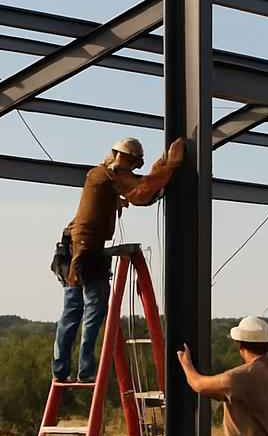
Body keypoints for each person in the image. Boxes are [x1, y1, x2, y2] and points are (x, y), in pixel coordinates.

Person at [52, 136, 185, 383]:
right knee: (93, 311)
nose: (132, 169)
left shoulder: (99, 175)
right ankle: (85, 370)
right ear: (123, 157)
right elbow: (141, 192)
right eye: (133, 164)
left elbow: (136, 189)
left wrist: (118, 198)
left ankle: (61, 370)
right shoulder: (110, 175)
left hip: (72, 249)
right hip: (85, 251)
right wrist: (170, 165)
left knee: (72, 311)